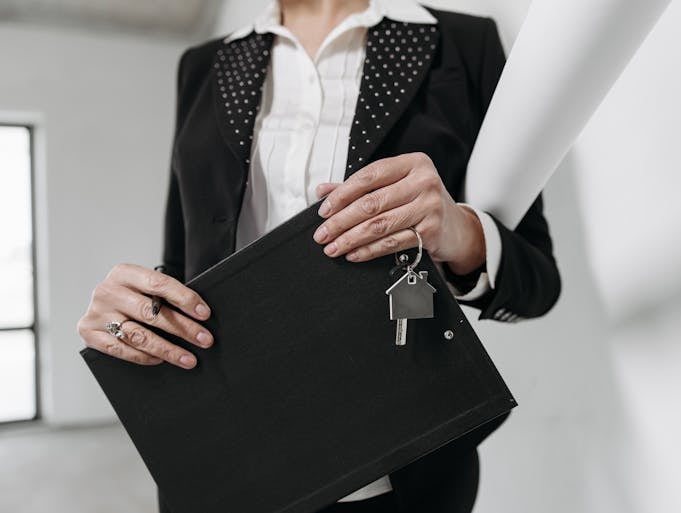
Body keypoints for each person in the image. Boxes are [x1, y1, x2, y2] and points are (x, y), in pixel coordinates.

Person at [77, 0, 561, 511]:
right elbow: (180, 267)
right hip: (227, 461)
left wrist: (460, 231)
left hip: (404, 464)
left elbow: (538, 281)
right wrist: (133, 311)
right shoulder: (204, 63)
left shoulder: (464, 41)